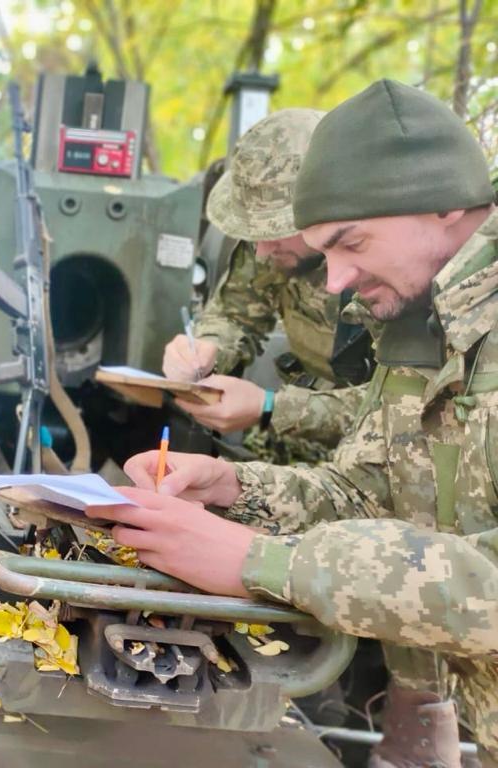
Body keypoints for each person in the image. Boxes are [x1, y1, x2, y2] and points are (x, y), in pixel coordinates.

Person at [107, 81, 498, 766]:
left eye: (350, 243)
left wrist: (258, 563)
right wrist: (231, 489)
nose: (336, 281)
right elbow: (371, 492)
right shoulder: (419, 320)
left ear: (442, 202)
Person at [163, 108, 374, 449]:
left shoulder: (389, 268)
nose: (261, 252)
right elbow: (234, 314)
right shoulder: (275, 247)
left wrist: (270, 406)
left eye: (275, 233)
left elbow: (399, 412)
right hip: (295, 440)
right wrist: (206, 348)